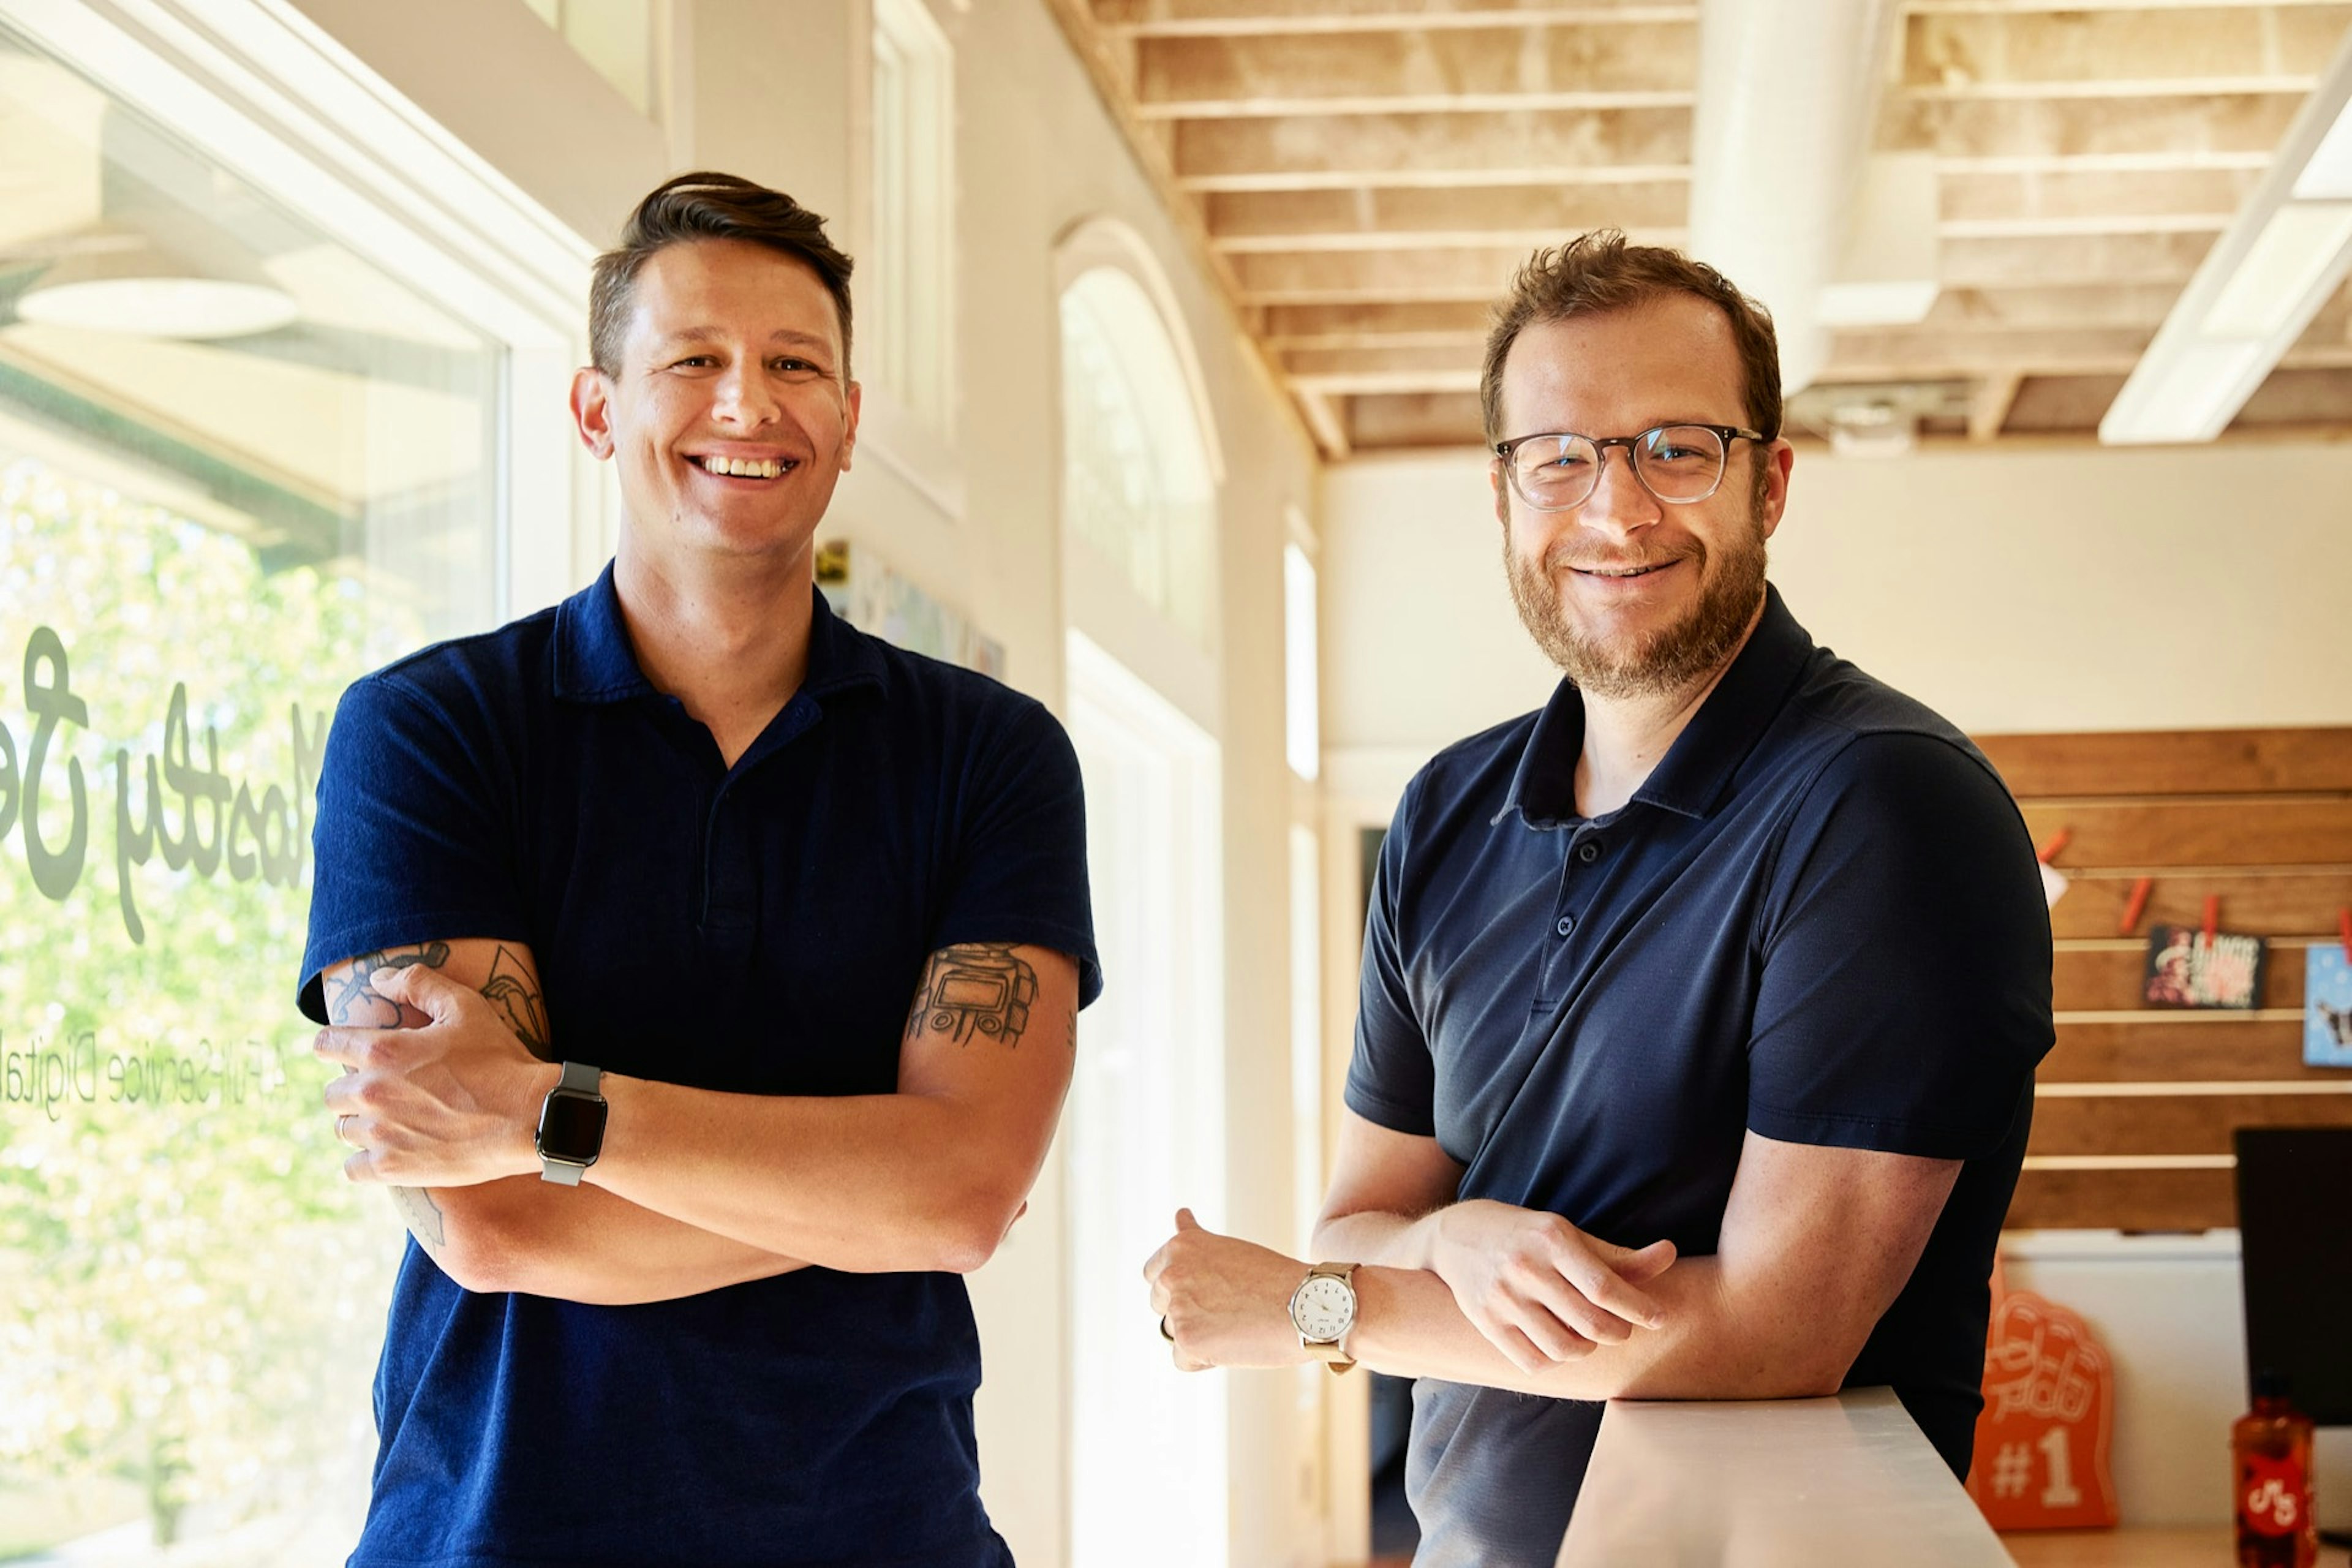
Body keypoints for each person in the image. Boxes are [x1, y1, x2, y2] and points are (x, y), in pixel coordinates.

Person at [1145, 232, 2052, 1564]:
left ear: (1772, 483)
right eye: (1561, 455)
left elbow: (1774, 1332)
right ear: (1505, 493)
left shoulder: (1885, 805)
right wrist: (1453, 1234)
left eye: (1677, 447)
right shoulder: (1446, 814)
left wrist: (1309, 1310)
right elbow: (1362, 1210)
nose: (1616, 510)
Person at [301, 172, 1098, 1567]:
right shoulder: (428, 730)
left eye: (797, 363)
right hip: (496, 1534)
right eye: (693, 360)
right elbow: (488, 1221)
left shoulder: (990, 752)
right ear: (598, 409)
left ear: (848, 421)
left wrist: (546, 1106)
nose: (748, 402)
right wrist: (868, 1183)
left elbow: (962, 1191)